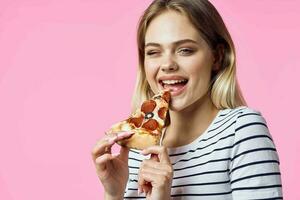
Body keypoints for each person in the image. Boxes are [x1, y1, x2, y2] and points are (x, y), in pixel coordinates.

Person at [91, 0, 283, 199]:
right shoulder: (134, 151)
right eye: (153, 52)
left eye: (185, 50)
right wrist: (113, 194)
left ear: (217, 57)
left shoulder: (241, 130)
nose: (167, 65)